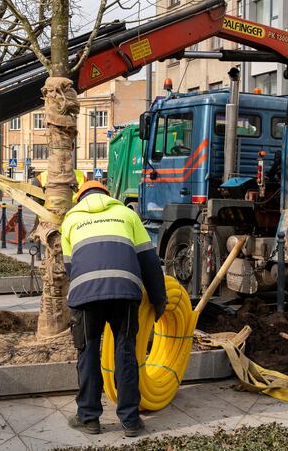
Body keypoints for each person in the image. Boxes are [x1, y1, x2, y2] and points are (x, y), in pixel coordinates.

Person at [60, 181, 167, 438]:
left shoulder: (70, 220)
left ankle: (88, 418)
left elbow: (69, 268)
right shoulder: (127, 214)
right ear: (108, 196)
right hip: (125, 292)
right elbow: (149, 261)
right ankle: (130, 420)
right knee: (126, 352)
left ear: (80, 198)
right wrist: (159, 300)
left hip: (86, 295)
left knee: (88, 352)